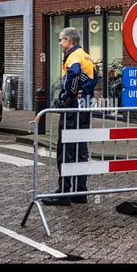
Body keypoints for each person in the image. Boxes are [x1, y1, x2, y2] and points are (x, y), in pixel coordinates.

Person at [42, 27, 98, 206]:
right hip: (85, 108)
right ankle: (80, 191)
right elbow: (95, 76)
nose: (59, 43)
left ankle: (64, 193)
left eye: (61, 40)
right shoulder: (86, 55)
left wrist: (68, 97)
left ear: (69, 41)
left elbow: (73, 74)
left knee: (66, 150)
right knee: (81, 150)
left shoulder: (73, 57)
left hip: (73, 110)